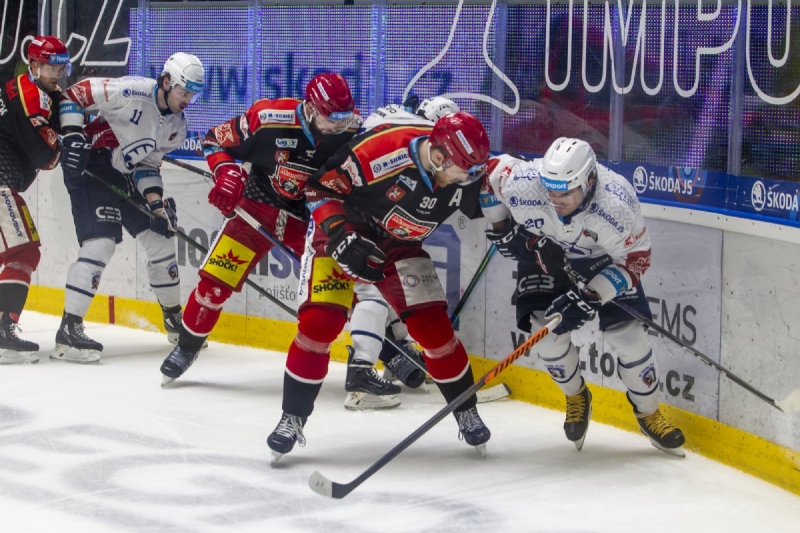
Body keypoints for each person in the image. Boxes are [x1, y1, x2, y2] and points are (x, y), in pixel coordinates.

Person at [159, 72, 399, 408]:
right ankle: (186, 347)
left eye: (345, 117)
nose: (339, 126)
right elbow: (214, 141)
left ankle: (378, 356)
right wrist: (227, 173)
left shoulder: (353, 130)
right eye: (333, 119)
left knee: (351, 284)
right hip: (258, 210)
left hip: (313, 220)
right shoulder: (268, 118)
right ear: (312, 108)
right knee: (215, 282)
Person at [266, 110, 492, 463]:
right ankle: (292, 418)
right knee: (319, 325)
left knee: (433, 330)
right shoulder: (379, 152)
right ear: (438, 156)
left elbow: (503, 193)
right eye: (464, 171)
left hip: (400, 243)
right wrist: (340, 234)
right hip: (343, 233)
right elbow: (319, 189)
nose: (470, 180)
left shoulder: (467, 169)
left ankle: (465, 410)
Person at [481, 138, 686, 456]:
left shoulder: (615, 204)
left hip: (603, 261)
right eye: (550, 190)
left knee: (628, 338)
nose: (555, 199)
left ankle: (648, 413)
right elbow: (487, 175)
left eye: (565, 192)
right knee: (544, 335)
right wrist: (501, 226)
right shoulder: (525, 183)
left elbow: (637, 259)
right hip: (545, 255)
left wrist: (591, 295)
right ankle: (576, 396)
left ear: (589, 181)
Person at [53, 52, 205, 363]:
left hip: (126, 175)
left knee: (162, 240)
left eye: (193, 94)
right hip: (91, 166)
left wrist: (157, 206)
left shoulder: (176, 126)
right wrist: (72, 136)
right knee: (100, 244)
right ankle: (69, 330)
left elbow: (148, 166)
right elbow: (75, 94)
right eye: (183, 91)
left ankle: (174, 319)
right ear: (166, 81)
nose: (188, 99)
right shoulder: (131, 90)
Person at [343, 96, 464, 408]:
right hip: (355, 222)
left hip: (357, 217)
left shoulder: (396, 120)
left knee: (393, 293)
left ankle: (393, 354)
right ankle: (360, 376)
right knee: (373, 294)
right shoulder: (412, 134)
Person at [0, 37, 70, 364]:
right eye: (50, 65)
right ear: (34, 64)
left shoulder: (24, 86)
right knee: (24, 250)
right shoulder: (32, 98)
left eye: (60, 66)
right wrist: (67, 147)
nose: (56, 72)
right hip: (1, 182)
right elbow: (43, 155)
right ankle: (3, 328)